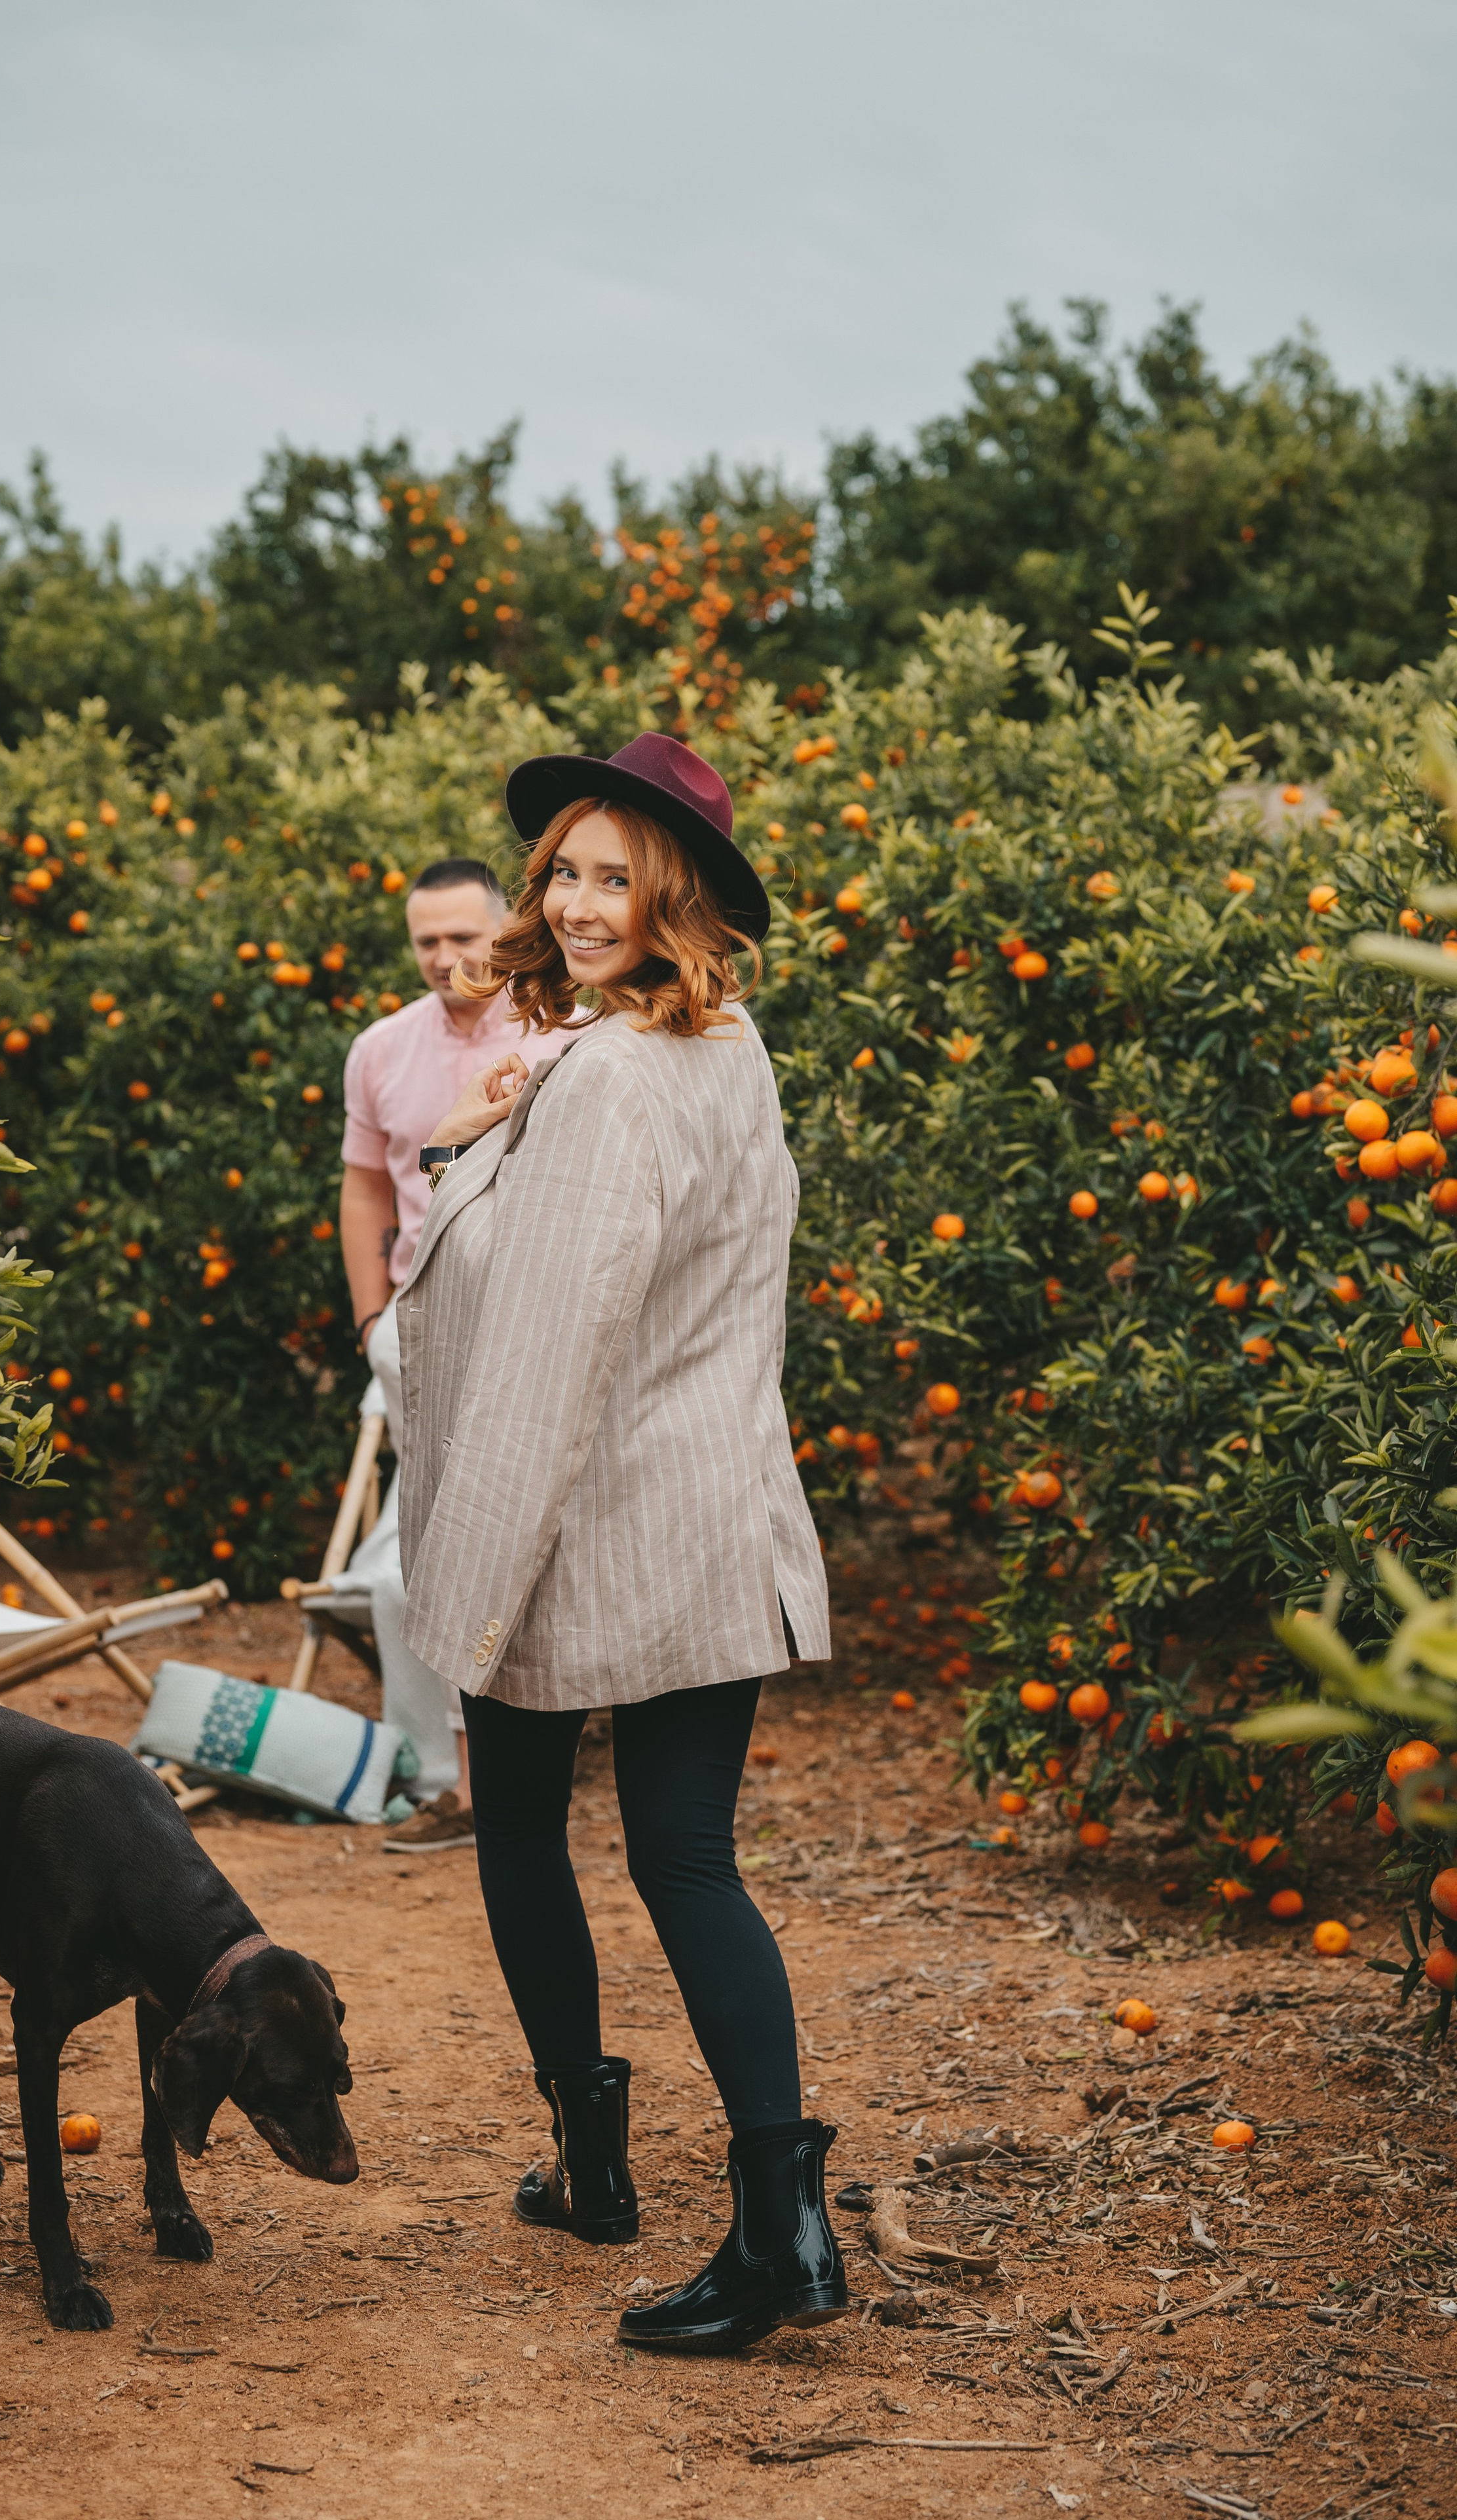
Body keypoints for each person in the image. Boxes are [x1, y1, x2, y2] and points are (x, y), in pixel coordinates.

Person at [393, 732, 844, 2354]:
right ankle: (773, 2224)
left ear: (680, 898)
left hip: (586, 1528)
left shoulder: (614, 1080)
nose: (578, 904)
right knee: (685, 1855)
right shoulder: (727, 1051)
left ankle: (606, 2169)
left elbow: (540, 1350)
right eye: (564, 873)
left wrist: (466, 1576)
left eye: (614, 878)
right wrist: (498, 1125)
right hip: (712, 1513)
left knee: (527, 1831)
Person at [337, 859, 580, 1848]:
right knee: (406, 1571)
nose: (446, 958)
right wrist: (370, 1322)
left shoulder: (562, 1038)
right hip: (412, 1335)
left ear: (506, 930)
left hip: (524, 1338)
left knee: (473, 1558)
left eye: (463, 937)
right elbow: (364, 1189)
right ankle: (446, 1776)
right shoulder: (381, 1049)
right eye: (427, 941)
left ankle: (499, 1774)